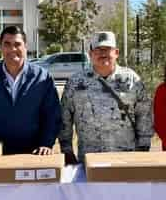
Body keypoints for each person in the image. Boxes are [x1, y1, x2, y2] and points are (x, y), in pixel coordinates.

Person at [0, 26, 61, 155]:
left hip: (34, 152)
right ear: (1, 47)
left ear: (25, 46)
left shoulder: (42, 77)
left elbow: (52, 113)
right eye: (7, 44)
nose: (12, 49)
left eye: (17, 44)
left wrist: (46, 142)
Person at [59, 31, 153, 164]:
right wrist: (66, 149)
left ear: (116, 53)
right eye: (98, 49)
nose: (103, 53)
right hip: (89, 159)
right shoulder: (76, 82)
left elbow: (144, 115)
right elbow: (65, 118)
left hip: (126, 159)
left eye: (107, 49)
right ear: (90, 54)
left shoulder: (132, 80)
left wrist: (143, 147)